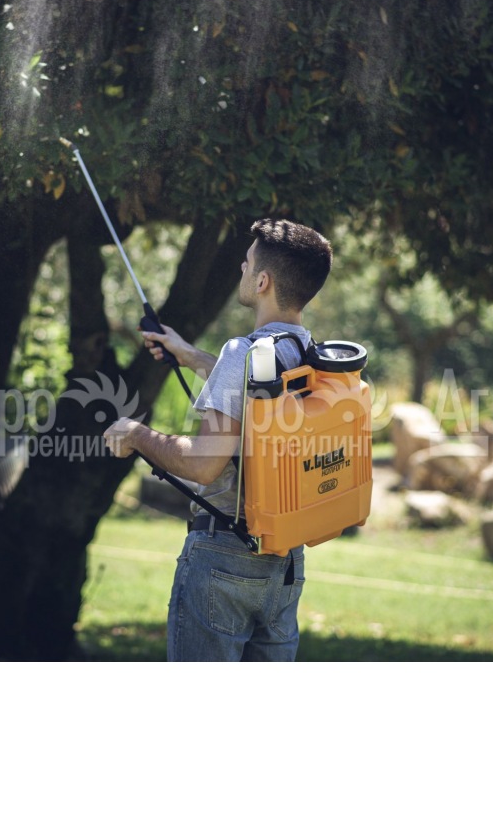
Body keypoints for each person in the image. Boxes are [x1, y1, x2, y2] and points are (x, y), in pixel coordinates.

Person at [103, 218, 333, 661]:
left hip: (225, 555)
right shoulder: (304, 352)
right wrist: (188, 355)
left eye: (247, 263)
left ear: (262, 282)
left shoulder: (241, 352)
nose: (242, 268)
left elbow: (203, 465)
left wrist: (136, 434)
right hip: (285, 562)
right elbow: (258, 396)